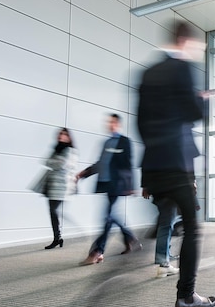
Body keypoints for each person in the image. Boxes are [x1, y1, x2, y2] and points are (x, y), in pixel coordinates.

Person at [137, 20, 215, 307]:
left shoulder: (147, 73)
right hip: (176, 165)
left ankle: (161, 260)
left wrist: (147, 171)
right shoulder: (182, 69)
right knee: (194, 228)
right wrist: (203, 100)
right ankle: (186, 295)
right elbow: (195, 114)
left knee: (167, 219)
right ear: (186, 42)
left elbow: (141, 126)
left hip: (154, 165)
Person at [77, 114, 141, 265]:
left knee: (107, 217)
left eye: (113, 122)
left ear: (118, 124)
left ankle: (97, 251)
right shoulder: (106, 142)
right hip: (105, 183)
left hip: (118, 184)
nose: (110, 124)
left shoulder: (125, 142)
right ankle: (130, 238)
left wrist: (131, 186)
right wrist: (84, 173)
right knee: (111, 216)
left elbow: (128, 164)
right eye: (108, 122)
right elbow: (101, 163)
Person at [31, 128, 78, 250]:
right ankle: (57, 238)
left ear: (69, 137)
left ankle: (60, 237)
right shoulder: (56, 149)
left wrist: (54, 162)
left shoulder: (70, 150)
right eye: (60, 134)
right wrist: (55, 162)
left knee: (54, 211)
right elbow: (46, 161)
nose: (61, 136)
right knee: (52, 212)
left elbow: (61, 164)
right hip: (52, 185)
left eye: (64, 134)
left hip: (62, 186)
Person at [142, 188, 180, 278]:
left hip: (159, 190)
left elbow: (147, 172)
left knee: (166, 224)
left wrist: (145, 186)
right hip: (171, 191)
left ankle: (166, 255)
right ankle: (164, 265)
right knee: (166, 226)